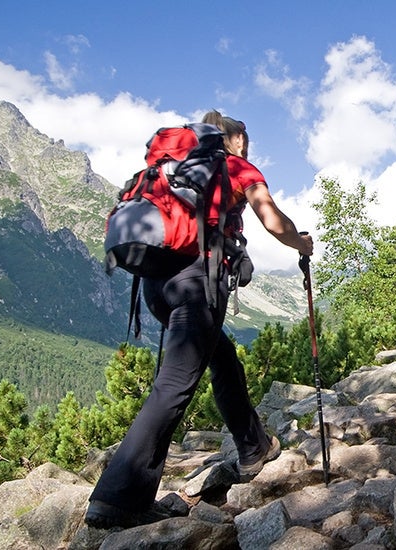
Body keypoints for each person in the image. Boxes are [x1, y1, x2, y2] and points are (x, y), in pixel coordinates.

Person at [85, 111, 313, 529]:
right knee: (175, 384)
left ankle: (253, 447)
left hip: (156, 285)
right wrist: (301, 243)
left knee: (222, 357)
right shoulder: (235, 166)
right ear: (237, 139)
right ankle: (117, 498)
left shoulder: (174, 170)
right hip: (197, 283)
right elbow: (272, 219)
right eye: (246, 140)